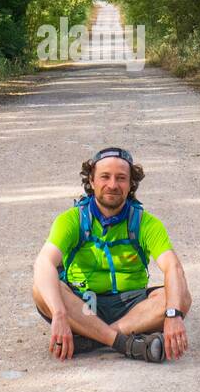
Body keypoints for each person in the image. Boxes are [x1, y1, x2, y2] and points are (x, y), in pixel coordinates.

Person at [31, 147, 191, 363]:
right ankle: (127, 344)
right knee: (41, 290)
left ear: (131, 183)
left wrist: (173, 314)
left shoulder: (146, 223)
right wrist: (59, 314)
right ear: (92, 180)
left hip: (129, 306)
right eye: (105, 177)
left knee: (180, 298)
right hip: (85, 304)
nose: (113, 185)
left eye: (121, 178)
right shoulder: (71, 220)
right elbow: (44, 263)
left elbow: (173, 267)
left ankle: (91, 339)